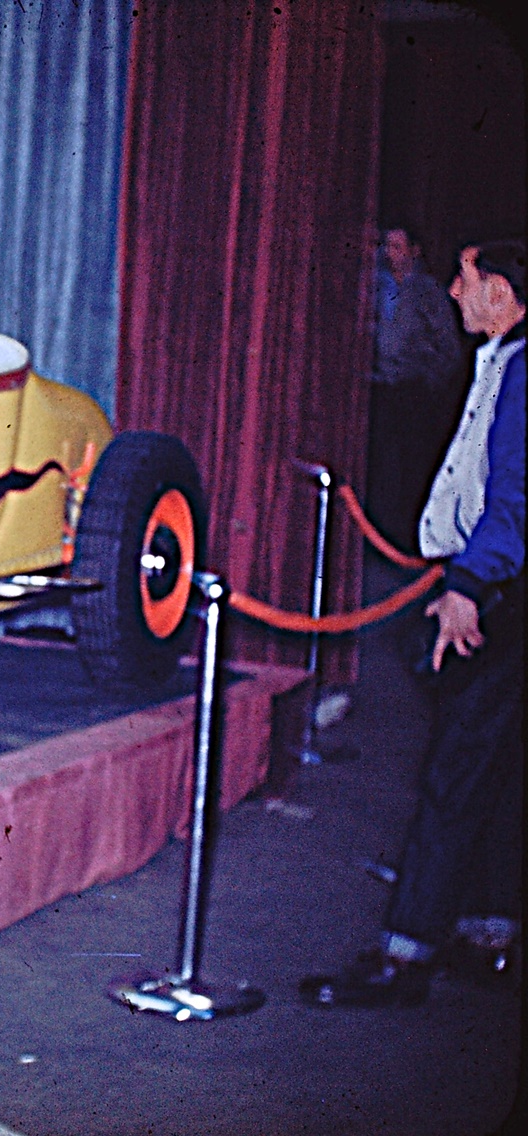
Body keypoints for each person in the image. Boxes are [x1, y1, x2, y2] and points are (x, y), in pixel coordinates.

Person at [301, 237, 525, 1008]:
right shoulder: (504, 359)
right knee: (496, 768)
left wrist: (467, 586)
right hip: (503, 587)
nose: (455, 296)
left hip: (499, 594)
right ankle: (488, 934)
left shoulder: (524, 372)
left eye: (466, 283)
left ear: (499, 291)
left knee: (454, 771)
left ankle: (406, 955)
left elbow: (514, 498)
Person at [366, 226, 465, 544]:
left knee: (410, 467)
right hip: (378, 387)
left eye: (396, 245)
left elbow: (447, 346)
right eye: (385, 245)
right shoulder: (373, 286)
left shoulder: (427, 291)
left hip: (413, 391)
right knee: (379, 465)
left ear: (414, 250)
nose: (388, 252)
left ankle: (405, 538)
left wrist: (430, 381)